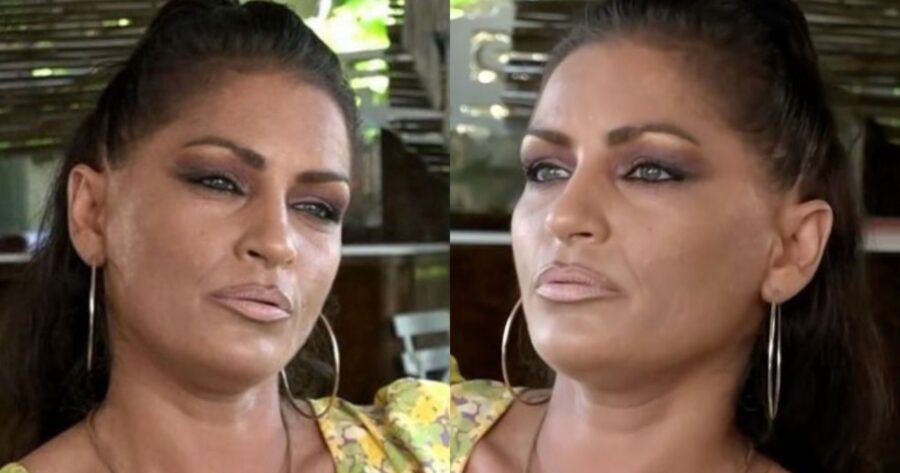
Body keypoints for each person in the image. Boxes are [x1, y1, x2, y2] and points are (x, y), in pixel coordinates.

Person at [0, 1, 448, 472]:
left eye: (317, 207)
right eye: (219, 181)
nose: (277, 242)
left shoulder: (426, 449)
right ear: (92, 213)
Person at [451, 1, 891, 472]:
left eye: (650, 171)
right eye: (547, 170)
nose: (563, 215)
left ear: (791, 249)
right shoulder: (404, 443)